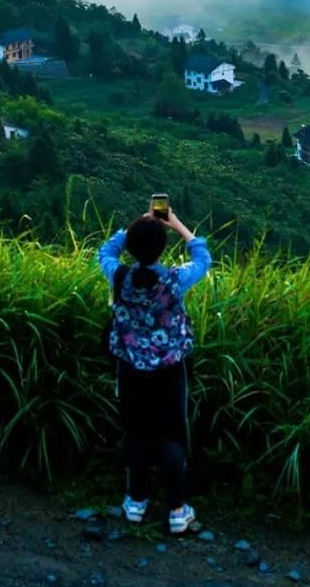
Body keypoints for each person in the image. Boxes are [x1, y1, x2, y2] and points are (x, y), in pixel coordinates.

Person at [99, 202, 212, 535]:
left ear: (132, 248)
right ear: (163, 248)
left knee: (136, 431)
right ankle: (177, 508)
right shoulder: (175, 281)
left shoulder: (120, 277)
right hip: (169, 369)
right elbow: (204, 259)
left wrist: (139, 224)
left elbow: (104, 252)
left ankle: (136, 501)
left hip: (130, 369)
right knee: (172, 434)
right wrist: (175, 223)